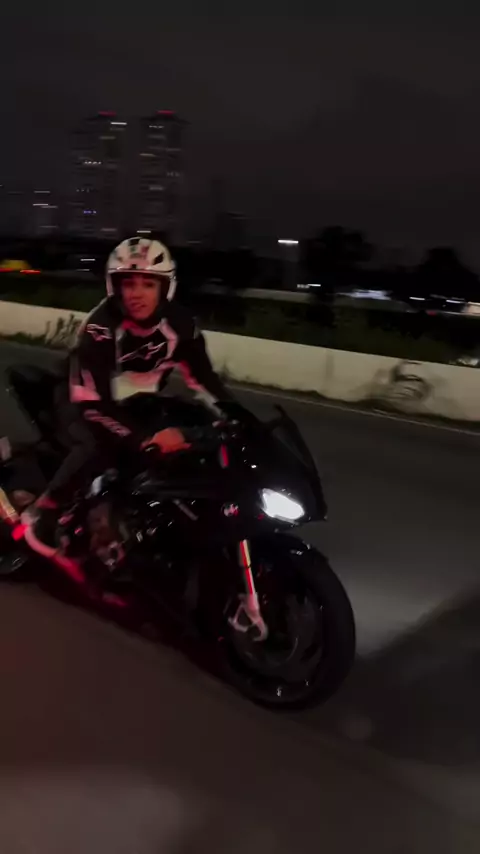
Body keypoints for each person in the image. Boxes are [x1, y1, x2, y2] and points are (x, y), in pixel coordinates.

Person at [22, 236, 231, 582]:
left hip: (136, 402)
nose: (136, 293)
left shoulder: (182, 325)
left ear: (165, 287)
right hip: (81, 398)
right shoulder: (101, 327)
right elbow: (94, 406)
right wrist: (144, 440)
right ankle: (44, 512)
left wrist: (238, 417)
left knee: (192, 431)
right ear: (114, 287)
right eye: (128, 283)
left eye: (148, 284)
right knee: (98, 446)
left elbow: (205, 380)